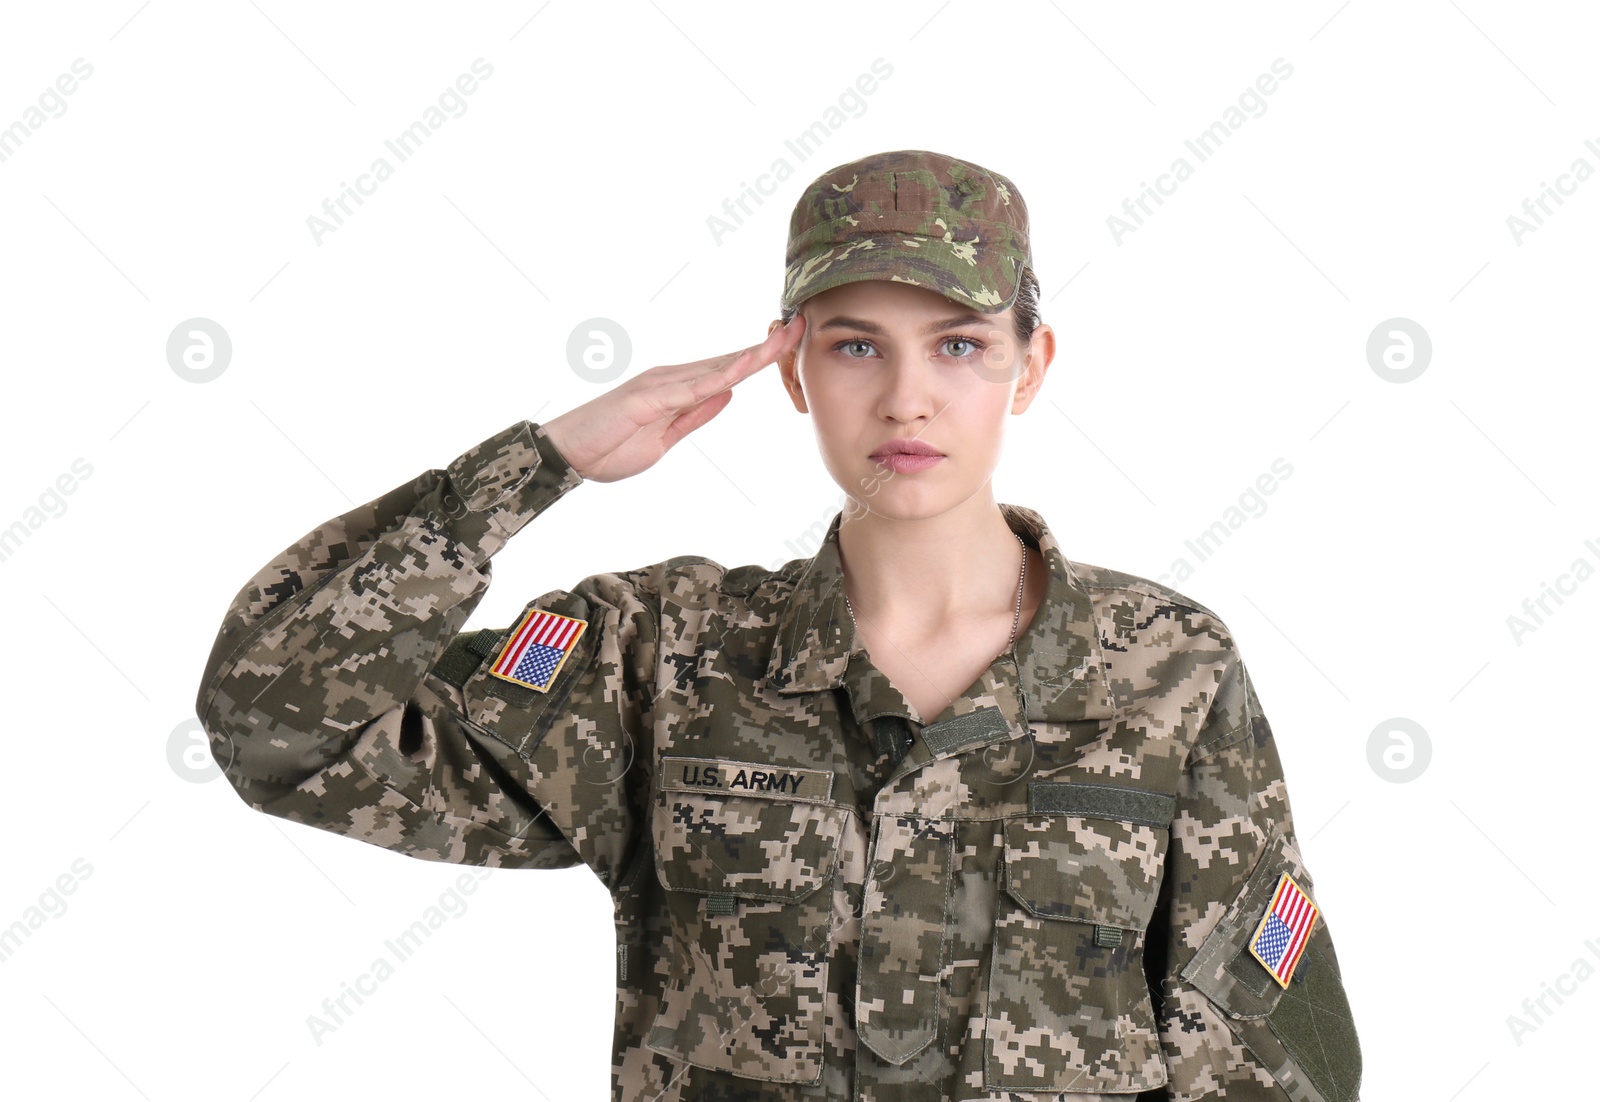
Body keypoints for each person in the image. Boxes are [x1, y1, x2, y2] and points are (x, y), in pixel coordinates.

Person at [195, 149, 1362, 1101]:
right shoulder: (658, 654)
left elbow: (1276, 1057)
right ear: (793, 367)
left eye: (958, 344)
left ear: (1029, 363)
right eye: (855, 344)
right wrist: (535, 465)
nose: (905, 396)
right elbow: (278, 728)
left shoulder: (1166, 666)